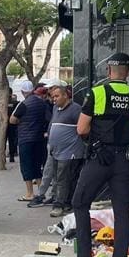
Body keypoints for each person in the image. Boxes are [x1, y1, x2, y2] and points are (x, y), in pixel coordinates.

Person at [69, 53, 129, 257]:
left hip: (99, 159)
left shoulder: (97, 93)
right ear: (128, 72)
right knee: (121, 210)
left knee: (80, 202)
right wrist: (125, 132)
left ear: (108, 71)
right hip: (123, 160)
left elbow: (81, 129)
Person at [45, 85, 85, 218]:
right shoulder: (56, 108)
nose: (54, 99)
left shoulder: (76, 109)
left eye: (56, 96)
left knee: (63, 178)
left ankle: (59, 205)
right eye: (52, 97)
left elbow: (83, 129)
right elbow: (52, 124)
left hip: (70, 151)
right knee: (59, 178)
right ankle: (66, 202)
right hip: (56, 150)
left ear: (65, 95)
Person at [10, 79, 52, 201]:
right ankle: (41, 192)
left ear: (23, 92)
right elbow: (48, 118)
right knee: (38, 165)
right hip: (39, 139)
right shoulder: (42, 103)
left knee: (27, 166)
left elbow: (12, 120)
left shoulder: (23, 104)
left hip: (26, 140)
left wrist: (21, 121)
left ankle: (29, 193)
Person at [5, 92, 19, 162]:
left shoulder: (15, 103)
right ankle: (6, 156)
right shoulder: (2, 102)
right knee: (5, 140)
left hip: (12, 125)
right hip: (5, 124)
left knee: (12, 141)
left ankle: (12, 156)